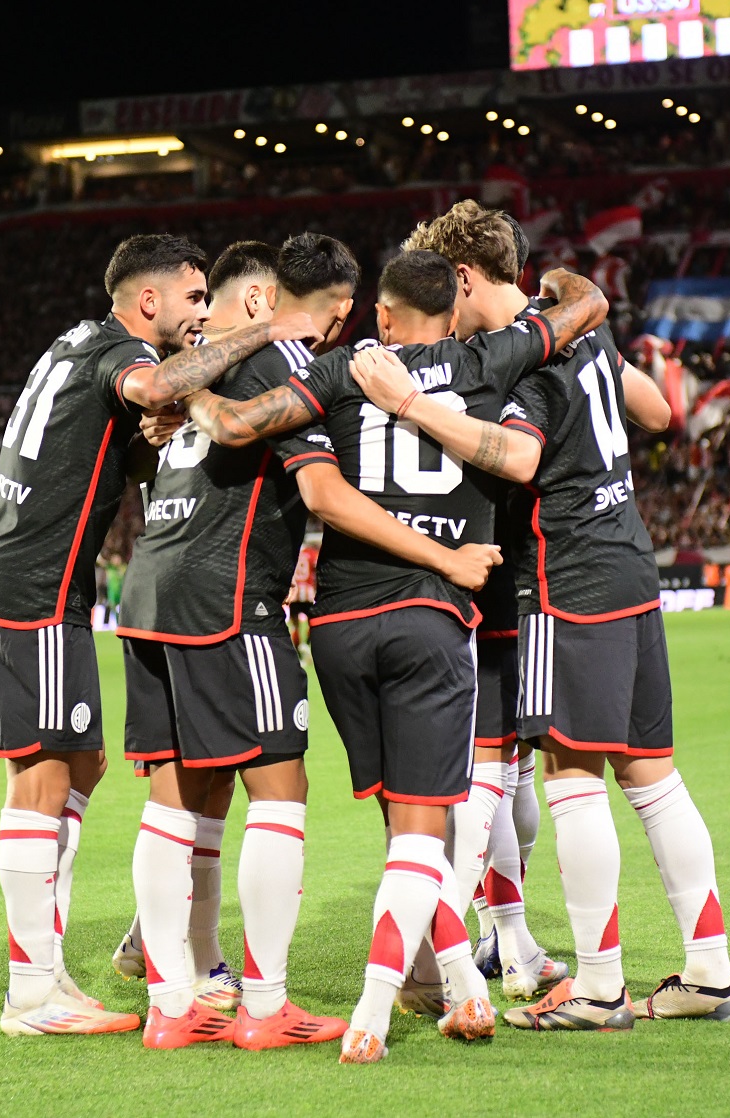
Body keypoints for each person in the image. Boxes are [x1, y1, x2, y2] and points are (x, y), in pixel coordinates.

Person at [187, 250, 607, 1062]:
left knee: (402, 823)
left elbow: (239, 424)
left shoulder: (341, 367)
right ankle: (375, 1013)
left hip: (339, 631)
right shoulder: (492, 355)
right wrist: (543, 287)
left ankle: (459, 984)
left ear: (380, 314)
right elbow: (585, 307)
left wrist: (182, 392)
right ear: (452, 314)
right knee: (424, 833)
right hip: (429, 619)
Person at [115, 235, 499, 1051]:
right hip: (229, 597)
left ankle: (171, 1001)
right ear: (266, 303)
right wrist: (445, 557)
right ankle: (264, 1005)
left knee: (177, 796)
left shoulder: (194, 360)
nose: (331, 333)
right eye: (330, 315)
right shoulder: (280, 359)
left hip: (148, 587)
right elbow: (321, 489)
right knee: (282, 792)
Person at [349, 289, 730, 1031]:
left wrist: (408, 403)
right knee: (651, 774)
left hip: (560, 582)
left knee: (559, 776)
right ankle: (708, 970)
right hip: (629, 563)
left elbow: (522, 454)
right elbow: (657, 412)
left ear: (466, 280)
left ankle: (593, 987)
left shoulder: (526, 353)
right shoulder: (583, 327)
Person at [0, 233, 323, 1037]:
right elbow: (157, 381)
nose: (201, 316)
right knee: (43, 780)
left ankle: (64, 963)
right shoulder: (121, 350)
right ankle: (32, 991)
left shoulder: (75, 342)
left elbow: (90, 448)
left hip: (22, 578)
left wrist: (135, 446)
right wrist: (265, 328)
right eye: (194, 300)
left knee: (79, 762)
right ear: (149, 300)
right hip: (36, 587)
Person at [398, 201, 566, 1003]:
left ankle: (508, 934)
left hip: (500, 576)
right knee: (494, 773)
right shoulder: (525, 344)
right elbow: (654, 407)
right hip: (501, 578)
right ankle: (451, 947)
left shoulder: (486, 355)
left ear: (463, 278)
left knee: (506, 773)